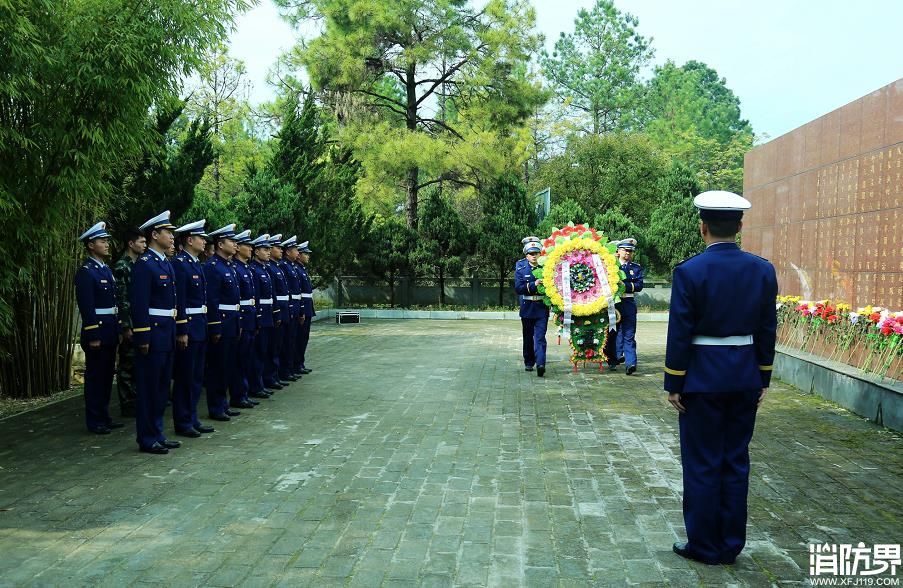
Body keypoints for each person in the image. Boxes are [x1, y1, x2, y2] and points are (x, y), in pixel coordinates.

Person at [666, 190, 777, 565]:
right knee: (735, 461)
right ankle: (730, 543)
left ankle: (703, 544)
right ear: (740, 227)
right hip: (744, 375)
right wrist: (763, 376)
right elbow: (766, 328)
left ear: (703, 228)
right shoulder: (762, 269)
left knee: (702, 462)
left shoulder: (689, 271)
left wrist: (674, 381)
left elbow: (680, 331)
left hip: (701, 379)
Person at [130, 211, 180, 454]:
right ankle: (147, 438)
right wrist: (143, 336)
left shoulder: (163, 262)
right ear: (154, 234)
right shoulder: (144, 264)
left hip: (167, 333)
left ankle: (158, 433)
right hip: (153, 334)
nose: (172, 237)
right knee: (149, 389)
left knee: (161, 389)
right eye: (167, 232)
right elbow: (139, 304)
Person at [74, 222, 123, 435]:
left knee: (105, 377)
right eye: (102, 242)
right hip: (98, 332)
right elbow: (87, 307)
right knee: (95, 378)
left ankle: (104, 416)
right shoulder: (87, 272)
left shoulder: (105, 269)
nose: (107, 245)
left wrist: (119, 328)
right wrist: (93, 333)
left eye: (106, 241)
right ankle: (95, 421)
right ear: (91, 245)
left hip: (110, 330)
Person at [171, 220, 215, 438]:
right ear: (190, 240)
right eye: (201, 238)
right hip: (189, 326)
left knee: (197, 376)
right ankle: (183, 420)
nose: (204, 241)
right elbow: (180, 299)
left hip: (200, 326)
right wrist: (182, 329)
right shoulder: (180, 264)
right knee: (185, 377)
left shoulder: (196, 263)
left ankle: (192, 417)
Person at [203, 224, 243, 422]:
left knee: (227, 366)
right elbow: (212, 300)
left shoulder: (228, 266)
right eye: (231, 241)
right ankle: (216, 406)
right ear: (220, 244)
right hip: (222, 323)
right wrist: (215, 326)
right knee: (217, 367)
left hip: (233, 321)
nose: (235, 244)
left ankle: (223, 404)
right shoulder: (212, 267)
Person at [113, 228, 146, 417]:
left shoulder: (139, 265)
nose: (144, 245)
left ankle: (135, 399)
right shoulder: (122, 266)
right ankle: (127, 403)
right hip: (129, 322)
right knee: (126, 364)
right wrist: (126, 325)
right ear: (130, 244)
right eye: (140, 242)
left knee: (136, 363)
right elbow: (122, 298)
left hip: (139, 321)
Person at [230, 230, 258, 409]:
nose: (250, 249)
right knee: (238, 361)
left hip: (249, 318)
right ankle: (238, 395)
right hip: (239, 320)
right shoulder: (235, 268)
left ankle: (243, 393)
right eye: (247, 246)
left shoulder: (246, 268)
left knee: (246, 359)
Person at [514, 239, 549, 377]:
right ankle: (529, 362)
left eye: (536, 253)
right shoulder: (521, 269)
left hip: (541, 308)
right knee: (528, 337)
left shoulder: (546, 268)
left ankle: (541, 364)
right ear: (526, 255)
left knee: (540, 337)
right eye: (531, 253)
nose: (534, 256)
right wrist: (534, 284)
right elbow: (518, 288)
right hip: (527, 308)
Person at [248, 234, 275, 398]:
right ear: (257, 252)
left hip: (267, 315)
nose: (269, 252)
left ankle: (261, 383)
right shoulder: (254, 270)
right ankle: (256, 385)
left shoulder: (264, 269)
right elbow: (255, 297)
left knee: (264, 351)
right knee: (257, 353)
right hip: (259, 315)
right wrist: (257, 316)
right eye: (265, 249)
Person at [614, 238, 644, 375]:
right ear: (618, 251)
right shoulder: (610, 265)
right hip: (613, 303)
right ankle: (613, 358)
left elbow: (639, 285)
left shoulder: (635, 267)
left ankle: (631, 363)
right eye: (625, 250)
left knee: (629, 334)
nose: (628, 253)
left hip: (629, 303)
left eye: (630, 251)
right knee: (612, 333)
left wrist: (624, 286)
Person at [265, 234, 290, 390]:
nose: (280, 250)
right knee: (271, 348)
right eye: (277, 248)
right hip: (268, 312)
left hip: (279, 309)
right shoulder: (268, 268)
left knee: (279, 345)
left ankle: (275, 375)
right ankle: (270, 377)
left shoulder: (277, 267)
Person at [278, 235, 301, 382]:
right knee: (282, 344)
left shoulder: (290, 267)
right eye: (295, 250)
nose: (298, 253)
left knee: (291, 341)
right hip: (280, 310)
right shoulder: (283, 266)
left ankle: (289, 369)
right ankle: (282, 372)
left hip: (290, 307)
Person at [294, 241, 316, 374]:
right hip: (302, 308)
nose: (308, 256)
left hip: (307, 308)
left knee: (303, 338)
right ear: (299, 255)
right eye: (305, 254)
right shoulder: (297, 269)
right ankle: (297, 364)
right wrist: (301, 310)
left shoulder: (301, 269)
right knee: (299, 339)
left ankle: (300, 363)